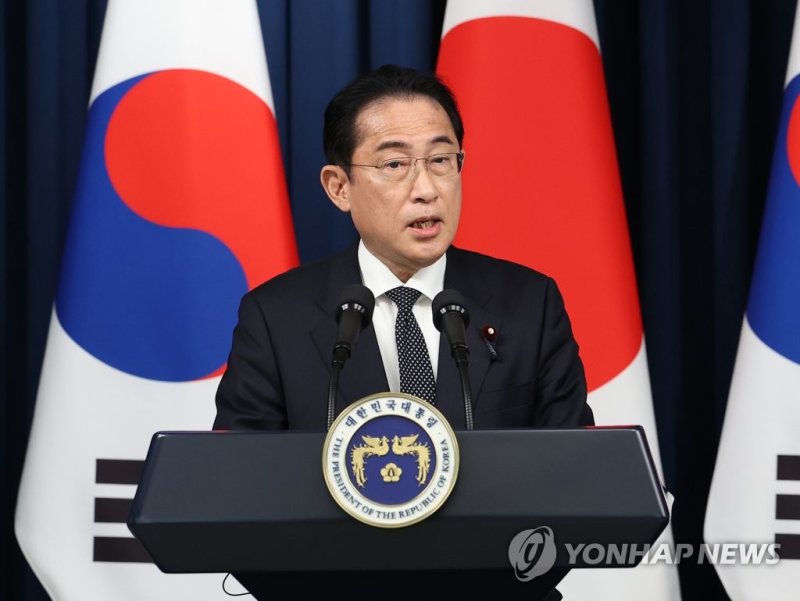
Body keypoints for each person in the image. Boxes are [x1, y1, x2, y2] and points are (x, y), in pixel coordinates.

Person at [214, 64, 592, 433]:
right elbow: (239, 467)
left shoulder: (531, 303)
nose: (426, 190)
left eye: (440, 160)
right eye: (394, 164)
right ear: (339, 187)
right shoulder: (275, 319)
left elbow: (576, 461)